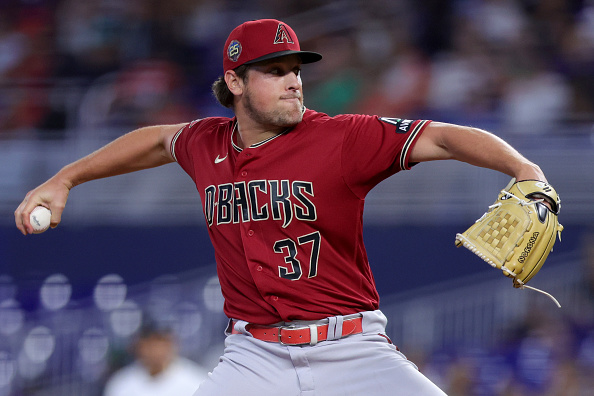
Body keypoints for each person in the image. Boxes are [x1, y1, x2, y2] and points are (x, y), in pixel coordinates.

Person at [15, 19, 553, 395]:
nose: (294, 79)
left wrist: (523, 169)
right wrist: (67, 178)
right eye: (274, 70)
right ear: (234, 81)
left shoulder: (343, 137)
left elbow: (444, 137)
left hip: (351, 347)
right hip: (254, 357)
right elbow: (156, 141)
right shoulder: (206, 142)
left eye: (295, 67)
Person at [103, 323, 208, 396]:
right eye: (149, 344)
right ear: (139, 346)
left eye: (160, 343)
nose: (155, 350)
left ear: (172, 344)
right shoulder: (122, 383)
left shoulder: (196, 381)